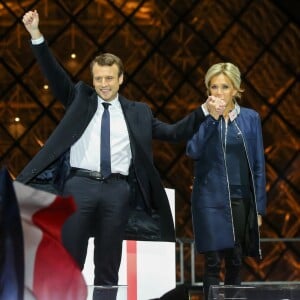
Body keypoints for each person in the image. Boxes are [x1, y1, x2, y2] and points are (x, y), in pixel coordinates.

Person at [17, 10, 224, 292]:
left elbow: (174, 132)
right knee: (68, 261)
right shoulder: (80, 98)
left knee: (108, 265)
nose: (103, 84)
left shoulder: (139, 112)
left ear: (121, 79)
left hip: (117, 191)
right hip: (79, 187)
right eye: (99, 78)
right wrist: (36, 35)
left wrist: (203, 111)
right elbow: (54, 75)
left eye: (109, 78)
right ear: (92, 79)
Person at [186, 62, 267, 300]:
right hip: (210, 199)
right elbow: (192, 150)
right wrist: (211, 118)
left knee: (235, 260)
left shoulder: (251, 118)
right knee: (212, 262)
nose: (219, 92)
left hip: (240, 199)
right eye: (214, 87)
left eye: (225, 86)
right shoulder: (202, 117)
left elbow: (259, 165)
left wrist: (259, 208)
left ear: (235, 89)